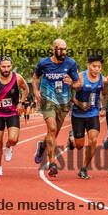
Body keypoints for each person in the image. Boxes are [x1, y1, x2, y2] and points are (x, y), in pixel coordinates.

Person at [32, 39, 81, 177]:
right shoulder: (43, 63)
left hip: (63, 102)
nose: (63, 52)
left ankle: (42, 146)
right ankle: (52, 164)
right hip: (47, 99)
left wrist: (72, 83)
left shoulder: (71, 63)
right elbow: (35, 77)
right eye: (60, 49)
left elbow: (78, 85)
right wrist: (35, 91)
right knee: (52, 128)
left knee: (54, 132)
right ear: (53, 49)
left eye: (65, 49)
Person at [0, 56, 29, 176]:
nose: (6, 69)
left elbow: (26, 89)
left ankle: (8, 146)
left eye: (8, 66)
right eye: (3, 67)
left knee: (13, 139)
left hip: (12, 112)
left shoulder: (18, 78)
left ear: (11, 66)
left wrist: (21, 103)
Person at [69, 53, 106, 180]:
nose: (97, 69)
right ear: (88, 65)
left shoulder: (103, 80)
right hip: (78, 114)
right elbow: (68, 94)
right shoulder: (80, 77)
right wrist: (79, 103)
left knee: (93, 140)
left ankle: (84, 169)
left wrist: (103, 107)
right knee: (79, 145)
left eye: (99, 67)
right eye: (94, 66)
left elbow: (105, 94)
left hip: (93, 113)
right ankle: (72, 138)